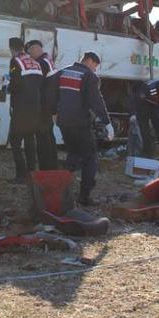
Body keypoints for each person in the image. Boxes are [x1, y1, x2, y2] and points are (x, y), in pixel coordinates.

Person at [49, 52, 112, 206]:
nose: (95, 69)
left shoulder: (62, 72)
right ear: (89, 61)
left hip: (63, 121)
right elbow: (96, 100)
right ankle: (84, 196)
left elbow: (51, 95)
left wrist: (53, 113)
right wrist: (107, 122)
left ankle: (60, 190)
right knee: (90, 157)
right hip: (80, 123)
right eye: (95, 65)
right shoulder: (88, 76)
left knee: (73, 153)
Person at [6, 37, 43, 182]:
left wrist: (8, 88)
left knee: (15, 141)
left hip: (21, 108)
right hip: (35, 108)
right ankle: (32, 173)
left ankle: (21, 175)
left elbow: (16, 84)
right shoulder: (36, 62)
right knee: (29, 140)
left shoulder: (16, 61)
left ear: (12, 48)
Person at [25, 39, 58, 170]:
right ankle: (52, 166)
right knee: (49, 137)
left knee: (42, 138)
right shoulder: (48, 61)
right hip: (49, 106)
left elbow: (36, 85)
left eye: (29, 52)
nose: (30, 56)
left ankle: (45, 168)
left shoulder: (41, 63)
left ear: (34, 49)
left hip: (42, 106)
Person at [132, 79, 159, 164]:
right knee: (145, 132)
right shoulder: (147, 89)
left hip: (156, 107)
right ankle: (147, 155)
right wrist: (132, 113)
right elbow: (135, 101)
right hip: (143, 107)